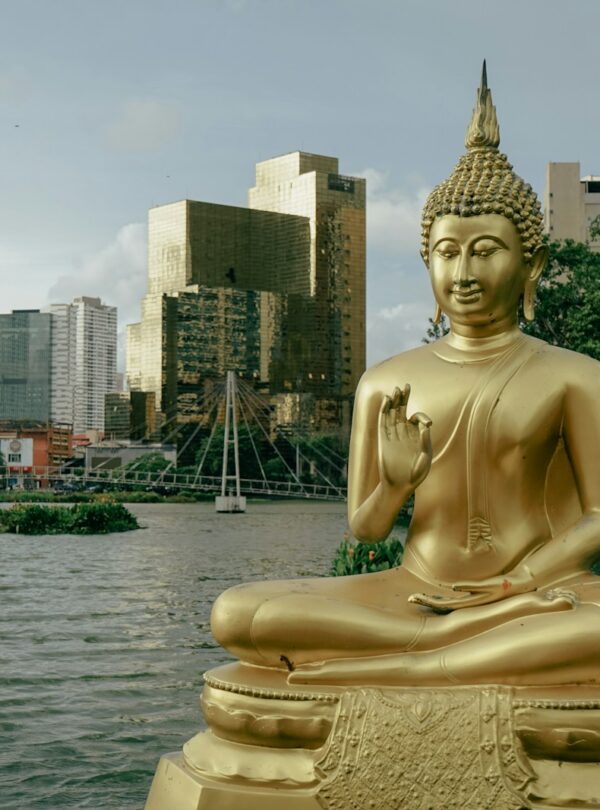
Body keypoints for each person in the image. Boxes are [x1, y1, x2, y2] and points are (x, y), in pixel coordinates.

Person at [211, 65, 600, 687]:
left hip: (538, 591)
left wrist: (514, 585)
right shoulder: (387, 382)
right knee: (239, 613)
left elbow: (599, 517)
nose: (464, 273)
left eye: (487, 250)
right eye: (448, 252)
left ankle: (423, 657)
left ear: (532, 263)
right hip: (413, 590)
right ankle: (451, 646)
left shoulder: (575, 377)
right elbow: (365, 529)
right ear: (428, 259)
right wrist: (395, 485)